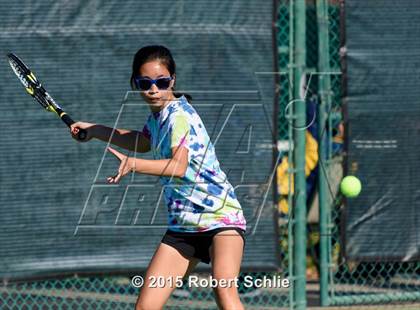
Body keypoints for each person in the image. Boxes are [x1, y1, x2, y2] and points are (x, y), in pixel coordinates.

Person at [70, 45, 247, 310]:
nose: (154, 89)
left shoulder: (179, 116)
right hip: (183, 227)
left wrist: (132, 165)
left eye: (162, 82)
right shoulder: (159, 116)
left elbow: (178, 167)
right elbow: (142, 141)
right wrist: (95, 130)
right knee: (146, 307)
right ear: (136, 83)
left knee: (225, 293)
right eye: (146, 83)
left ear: (172, 80)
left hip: (220, 219)